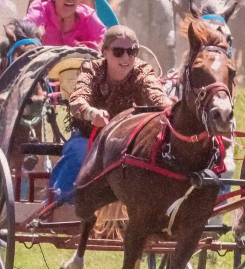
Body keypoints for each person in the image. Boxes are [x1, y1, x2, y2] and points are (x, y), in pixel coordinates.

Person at [49, 26, 173, 203]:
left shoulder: (143, 72)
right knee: (78, 153)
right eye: (118, 52)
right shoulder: (91, 69)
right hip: (88, 137)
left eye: (132, 51)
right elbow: (77, 101)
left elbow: (157, 95)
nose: (126, 58)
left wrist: (170, 108)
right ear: (104, 52)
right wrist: (92, 114)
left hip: (125, 143)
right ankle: (61, 204)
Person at [24, 0, 106, 50]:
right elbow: (26, 31)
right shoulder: (40, 9)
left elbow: (104, 41)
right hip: (43, 62)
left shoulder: (88, 16)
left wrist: (90, 49)